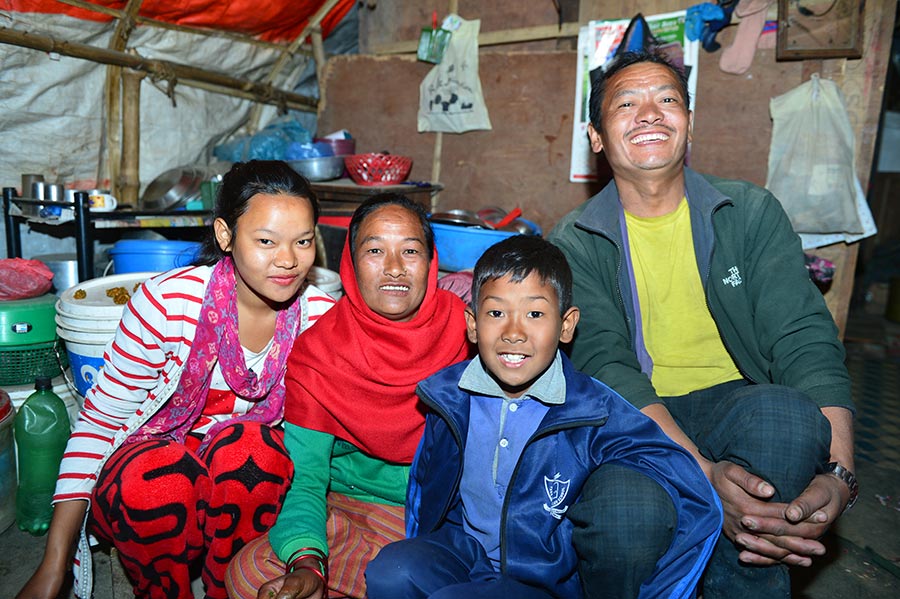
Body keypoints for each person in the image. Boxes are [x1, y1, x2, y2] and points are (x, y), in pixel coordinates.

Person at [547, 49, 856, 599]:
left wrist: (841, 476)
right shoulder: (574, 241)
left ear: (689, 126)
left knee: (788, 420)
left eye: (667, 100)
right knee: (623, 523)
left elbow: (803, 338)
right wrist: (707, 479)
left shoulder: (749, 213)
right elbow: (606, 366)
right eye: (626, 104)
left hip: (737, 404)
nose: (649, 113)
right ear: (596, 137)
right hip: (636, 419)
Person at [16, 160, 336, 599]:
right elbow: (97, 425)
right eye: (266, 241)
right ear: (226, 235)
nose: (288, 260)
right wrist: (54, 564)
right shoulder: (169, 305)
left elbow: (317, 443)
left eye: (303, 242)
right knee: (160, 476)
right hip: (149, 488)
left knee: (255, 449)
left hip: (240, 495)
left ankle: (233, 586)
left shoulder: (318, 319)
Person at [365, 235, 723, 599]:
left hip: (540, 580)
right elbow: (424, 488)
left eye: (535, 314)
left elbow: (686, 483)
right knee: (391, 572)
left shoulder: (591, 409)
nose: (514, 332)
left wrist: (669, 590)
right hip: (462, 552)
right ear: (472, 324)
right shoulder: (449, 395)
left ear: (566, 325)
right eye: (496, 313)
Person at [224, 193, 471, 599]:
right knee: (248, 576)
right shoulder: (319, 352)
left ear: (431, 261)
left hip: (430, 516)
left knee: (401, 577)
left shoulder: (467, 335)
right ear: (350, 264)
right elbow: (305, 480)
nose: (394, 268)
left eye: (410, 250)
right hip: (339, 508)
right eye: (375, 250)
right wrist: (307, 562)